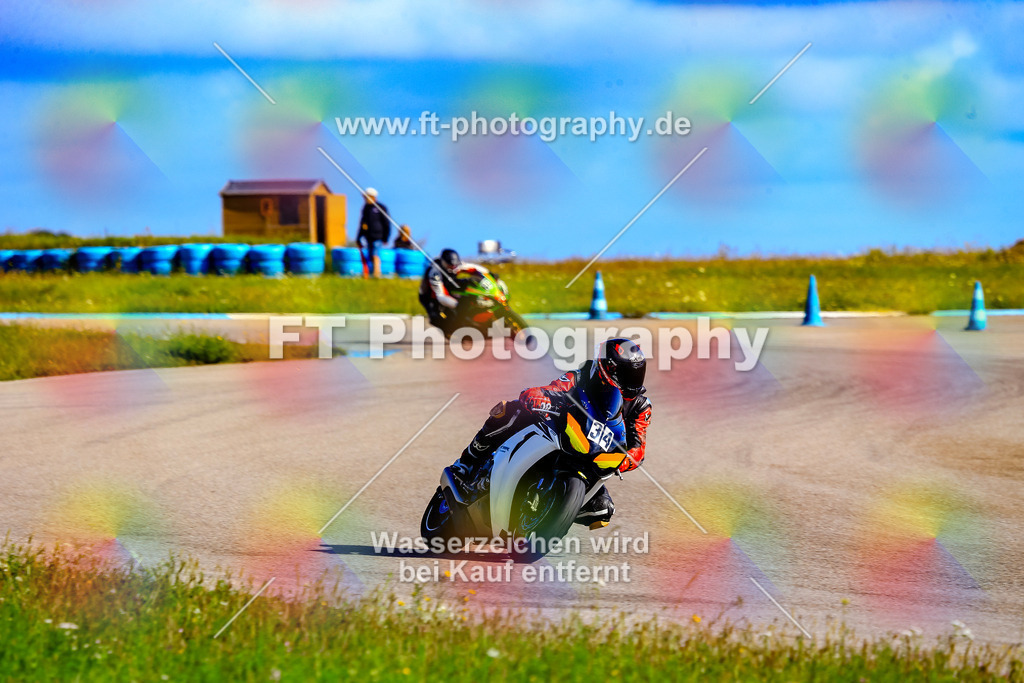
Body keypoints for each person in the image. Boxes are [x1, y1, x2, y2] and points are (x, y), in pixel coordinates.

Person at [450, 338, 652, 528]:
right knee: (509, 410)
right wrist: (539, 397)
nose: (632, 381)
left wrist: (625, 460)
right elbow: (554, 388)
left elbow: (638, 447)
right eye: (626, 375)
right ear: (606, 369)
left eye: (636, 374)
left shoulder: (642, 407)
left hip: (594, 457)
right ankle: (466, 464)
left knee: (602, 511)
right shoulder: (582, 375)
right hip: (561, 431)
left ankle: (551, 512)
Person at [418, 249, 494, 332]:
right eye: (450, 266)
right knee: (437, 318)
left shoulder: (456, 264)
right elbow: (440, 296)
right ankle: (453, 331)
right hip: (430, 296)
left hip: (448, 285)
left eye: (455, 265)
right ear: (443, 262)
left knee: (470, 284)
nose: (453, 268)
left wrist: (489, 273)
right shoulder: (434, 272)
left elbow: (473, 267)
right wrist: (456, 304)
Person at [357, 187, 391, 277]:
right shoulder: (365, 208)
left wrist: (386, 237)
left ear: (373, 197)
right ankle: (370, 273)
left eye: (366, 197)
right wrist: (358, 237)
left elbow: (386, 223)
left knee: (375, 254)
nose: (365, 199)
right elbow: (362, 224)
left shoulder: (381, 208)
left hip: (378, 236)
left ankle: (376, 274)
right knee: (370, 255)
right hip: (368, 237)